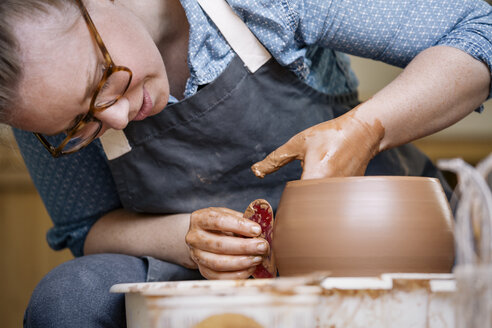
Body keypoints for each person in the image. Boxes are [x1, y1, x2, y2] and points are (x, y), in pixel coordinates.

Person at [1, 0, 490, 326]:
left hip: (384, 248)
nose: (119, 114)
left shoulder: (255, 5)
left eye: (102, 81)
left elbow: (479, 28)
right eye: (80, 122)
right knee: (68, 298)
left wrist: (368, 126)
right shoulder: (38, 107)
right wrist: (189, 240)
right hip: (215, 280)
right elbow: (87, 227)